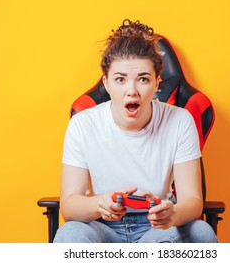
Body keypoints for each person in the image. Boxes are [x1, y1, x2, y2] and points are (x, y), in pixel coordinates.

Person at [53, 19, 218, 243]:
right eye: (120, 80)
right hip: (102, 226)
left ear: (157, 82)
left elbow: (192, 199)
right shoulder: (82, 124)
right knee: (70, 233)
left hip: (157, 228)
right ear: (107, 83)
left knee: (200, 232)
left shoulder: (180, 120)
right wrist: (100, 203)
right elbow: (70, 206)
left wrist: (171, 214)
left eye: (143, 79)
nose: (132, 91)